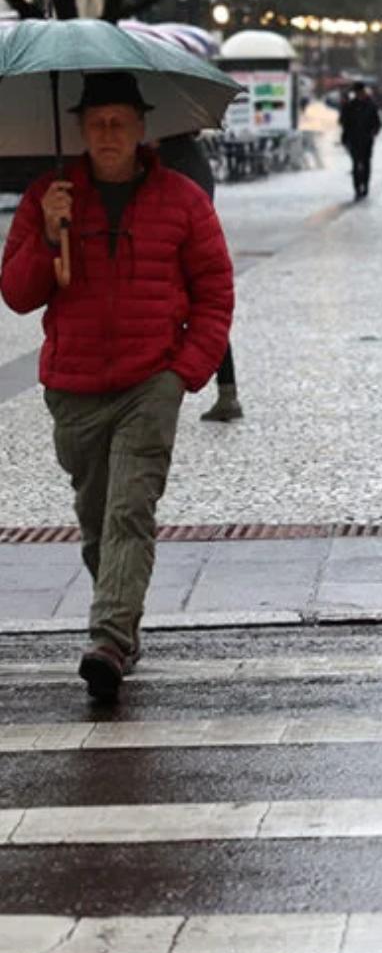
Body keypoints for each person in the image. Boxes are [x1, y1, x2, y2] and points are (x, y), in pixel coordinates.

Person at [0, 72, 233, 701]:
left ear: (141, 128)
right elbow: (18, 295)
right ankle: (125, 624)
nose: (109, 134)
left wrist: (184, 374)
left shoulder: (182, 200)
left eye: (120, 122)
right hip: (73, 386)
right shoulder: (48, 197)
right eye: (98, 122)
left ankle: (108, 638)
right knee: (96, 520)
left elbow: (215, 292)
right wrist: (49, 237)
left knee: (131, 510)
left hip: (148, 383)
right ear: (80, 128)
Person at [155, 132, 242, 422]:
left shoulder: (173, 156)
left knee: (197, 315)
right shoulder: (192, 152)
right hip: (192, 243)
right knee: (205, 318)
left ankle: (224, 394)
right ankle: (227, 393)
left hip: (183, 247)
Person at [339, 83, 381, 199]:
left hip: (367, 139)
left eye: (361, 92)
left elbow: (377, 121)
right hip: (353, 139)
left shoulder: (371, 105)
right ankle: (357, 188)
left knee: (366, 163)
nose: (360, 94)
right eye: (358, 92)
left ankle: (365, 185)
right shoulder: (349, 106)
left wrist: (374, 132)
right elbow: (343, 121)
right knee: (356, 163)